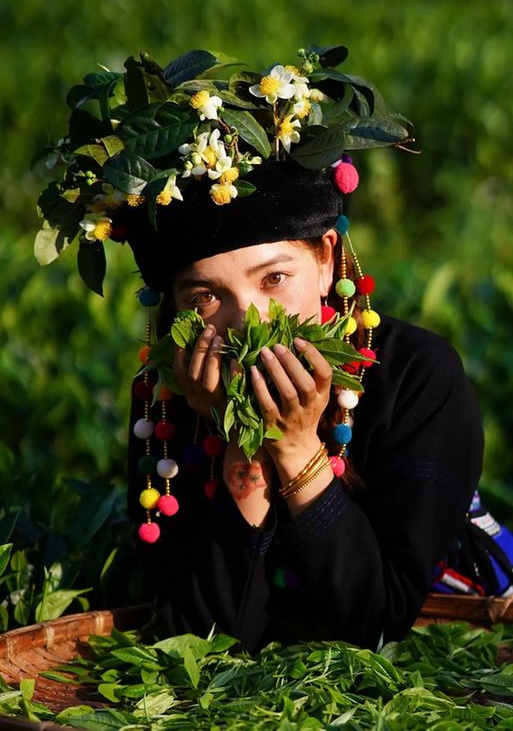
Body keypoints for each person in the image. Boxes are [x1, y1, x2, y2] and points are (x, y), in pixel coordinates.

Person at [34, 43, 513, 652]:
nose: (249, 320)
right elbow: (201, 638)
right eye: (207, 296)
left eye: (274, 279)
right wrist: (241, 443)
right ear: (174, 305)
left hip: (456, 623)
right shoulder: (170, 395)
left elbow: (377, 624)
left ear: (326, 261)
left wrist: (294, 447)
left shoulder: (419, 376)